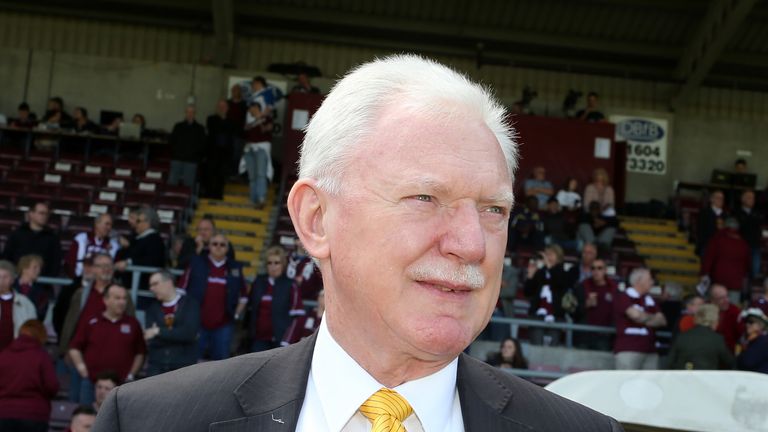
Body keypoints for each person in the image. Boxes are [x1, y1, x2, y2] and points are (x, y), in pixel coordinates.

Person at [94, 55, 621, 432]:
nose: (472, 245)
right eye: (424, 197)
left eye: (493, 210)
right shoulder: (146, 420)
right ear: (316, 219)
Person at [59, 253, 135, 403]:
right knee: (78, 404)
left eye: (109, 265)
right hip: (80, 360)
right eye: (101, 266)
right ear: (93, 269)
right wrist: (65, 349)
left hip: (112, 364)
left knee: (109, 409)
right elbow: (70, 323)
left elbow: (131, 324)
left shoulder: (123, 295)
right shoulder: (81, 294)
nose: (106, 269)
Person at [68, 284, 146, 405]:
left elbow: (140, 353)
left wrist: (131, 375)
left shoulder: (133, 324)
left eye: (124, 298)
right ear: (105, 300)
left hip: (121, 386)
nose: (122, 302)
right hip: (92, 384)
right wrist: (83, 370)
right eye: (117, 298)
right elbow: (74, 348)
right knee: (88, 417)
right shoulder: (91, 321)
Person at [178, 233, 247, 360]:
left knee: (221, 365)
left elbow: (244, 296)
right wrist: (186, 315)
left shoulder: (235, 267)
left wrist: (236, 314)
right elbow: (181, 290)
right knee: (192, 362)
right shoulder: (196, 262)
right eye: (215, 244)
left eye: (222, 244)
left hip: (224, 325)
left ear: (227, 248)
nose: (218, 247)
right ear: (209, 246)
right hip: (197, 323)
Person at [0, 320, 59, 432]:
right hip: (33, 414)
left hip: (4, 413)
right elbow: (52, 386)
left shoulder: (4, 355)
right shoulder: (41, 356)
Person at [248, 246, 304, 352]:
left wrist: (287, 340)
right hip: (258, 340)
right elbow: (251, 309)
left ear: (283, 265)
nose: (273, 266)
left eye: (276, 263)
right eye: (270, 263)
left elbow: (297, 317)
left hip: (280, 341)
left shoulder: (291, 285)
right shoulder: (258, 282)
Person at [144, 270, 200, 375]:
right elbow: (151, 340)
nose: (151, 288)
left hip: (183, 367)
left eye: (155, 284)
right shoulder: (152, 309)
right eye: (150, 285)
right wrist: (178, 334)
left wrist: (158, 331)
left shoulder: (190, 304)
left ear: (169, 282)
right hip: (157, 366)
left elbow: (189, 334)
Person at [613, 268, 667, 370]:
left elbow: (662, 321)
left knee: (649, 385)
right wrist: (652, 318)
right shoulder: (623, 296)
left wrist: (643, 317)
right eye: (649, 279)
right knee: (627, 383)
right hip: (628, 349)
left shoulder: (650, 299)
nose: (652, 282)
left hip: (650, 350)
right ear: (639, 281)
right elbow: (635, 315)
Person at [524, 245, 574, 345]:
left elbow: (559, 283)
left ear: (558, 257)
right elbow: (528, 292)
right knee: (536, 343)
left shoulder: (564, 272)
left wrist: (549, 266)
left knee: (552, 344)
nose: (547, 257)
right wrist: (530, 276)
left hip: (556, 315)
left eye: (550, 254)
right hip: (538, 314)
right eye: (546, 254)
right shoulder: (540, 272)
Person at [2, 201, 62, 276]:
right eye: (41, 213)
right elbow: (7, 257)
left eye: (47, 214)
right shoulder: (17, 234)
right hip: (17, 280)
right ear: (31, 214)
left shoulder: (53, 238)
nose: (45, 216)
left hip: (42, 282)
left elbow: (55, 263)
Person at [667, 304, 735, 370]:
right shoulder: (717, 339)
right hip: (707, 380)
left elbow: (669, 363)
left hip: (683, 379)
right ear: (713, 320)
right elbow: (730, 363)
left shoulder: (682, 337)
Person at [114, 206, 167, 290]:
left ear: (147, 222)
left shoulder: (154, 240)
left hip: (142, 288)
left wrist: (129, 262)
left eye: (138, 221)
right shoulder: (137, 238)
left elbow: (151, 261)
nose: (135, 224)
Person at [700, 217, 750, 301]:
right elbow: (747, 265)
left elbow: (709, 257)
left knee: (715, 307)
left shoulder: (717, 239)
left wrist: (704, 273)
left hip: (718, 280)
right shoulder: (743, 243)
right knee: (732, 308)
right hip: (736, 282)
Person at [577, 258, 617, 350]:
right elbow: (573, 312)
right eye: (593, 268)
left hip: (605, 336)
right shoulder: (582, 286)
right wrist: (586, 305)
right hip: (584, 335)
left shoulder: (613, 288)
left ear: (605, 270)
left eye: (599, 268)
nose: (596, 271)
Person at [65, 213, 120, 279]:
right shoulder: (81, 239)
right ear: (97, 224)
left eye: (111, 225)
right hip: (79, 281)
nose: (109, 228)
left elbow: (115, 268)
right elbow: (69, 262)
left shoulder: (114, 245)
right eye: (107, 224)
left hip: (102, 284)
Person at [204, 99, 238, 199]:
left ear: (227, 108)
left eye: (223, 106)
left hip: (225, 154)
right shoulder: (211, 119)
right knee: (210, 174)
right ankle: (208, 194)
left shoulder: (231, 121)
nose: (221, 108)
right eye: (219, 106)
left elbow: (231, 135)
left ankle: (218, 195)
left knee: (221, 175)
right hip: (212, 153)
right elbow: (215, 130)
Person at [242, 102, 274, 206]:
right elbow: (245, 130)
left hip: (261, 149)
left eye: (252, 108)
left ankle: (261, 198)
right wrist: (255, 119)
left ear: (257, 108)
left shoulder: (267, 118)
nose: (250, 111)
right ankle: (253, 198)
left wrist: (259, 118)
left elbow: (266, 129)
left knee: (261, 174)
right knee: (252, 176)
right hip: (250, 149)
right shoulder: (249, 120)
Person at [0, 260, 36, 351]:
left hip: (16, 353)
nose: (1, 280)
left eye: (5, 277)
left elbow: (32, 331)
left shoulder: (25, 303)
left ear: (12, 280)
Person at [168, 105, 206, 188]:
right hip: (177, 158)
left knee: (188, 185)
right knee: (172, 183)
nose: (190, 114)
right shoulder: (178, 126)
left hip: (191, 160)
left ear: (195, 114)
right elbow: (172, 141)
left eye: (192, 112)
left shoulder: (200, 128)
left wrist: (196, 156)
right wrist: (175, 153)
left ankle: (186, 201)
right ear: (185, 113)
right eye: (188, 112)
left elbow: (202, 145)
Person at [733, 189, 763, 279]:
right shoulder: (736, 212)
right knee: (740, 272)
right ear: (742, 199)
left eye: (753, 198)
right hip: (740, 247)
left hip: (755, 246)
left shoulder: (758, 213)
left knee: (754, 271)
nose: (752, 200)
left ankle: (748, 291)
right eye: (749, 197)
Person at [13, 254, 51, 321]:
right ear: (24, 269)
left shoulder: (42, 291)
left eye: (40, 268)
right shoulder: (9, 285)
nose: (38, 271)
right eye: (35, 267)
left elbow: (41, 314)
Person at [710, 283, 742, 353]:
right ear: (712, 300)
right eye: (721, 298)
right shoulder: (706, 311)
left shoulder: (735, 311)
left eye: (727, 296)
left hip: (728, 352)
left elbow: (740, 334)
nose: (726, 300)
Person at [736, 308, 768, 374]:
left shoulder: (763, 341)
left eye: (751, 322)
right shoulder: (746, 340)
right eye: (746, 322)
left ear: (760, 325)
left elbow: (748, 362)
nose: (747, 325)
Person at [696, 189, 726, 257]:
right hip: (707, 246)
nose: (720, 200)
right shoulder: (704, 213)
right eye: (718, 198)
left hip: (721, 248)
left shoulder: (726, 215)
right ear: (711, 199)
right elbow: (700, 230)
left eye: (722, 198)